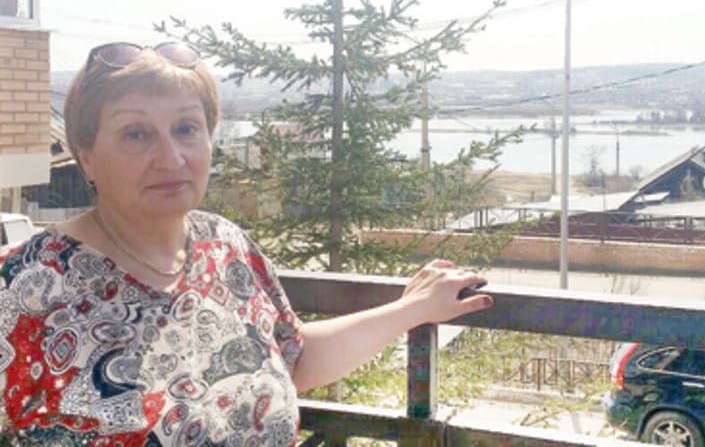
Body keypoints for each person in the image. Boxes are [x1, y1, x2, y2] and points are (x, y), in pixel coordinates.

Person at [0, 42, 492, 446]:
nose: (171, 157)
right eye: (136, 134)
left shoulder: (225, 246)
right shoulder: (25, 285)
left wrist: (412, 310)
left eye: (186, 129)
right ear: (86, 156)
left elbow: (294, 357)